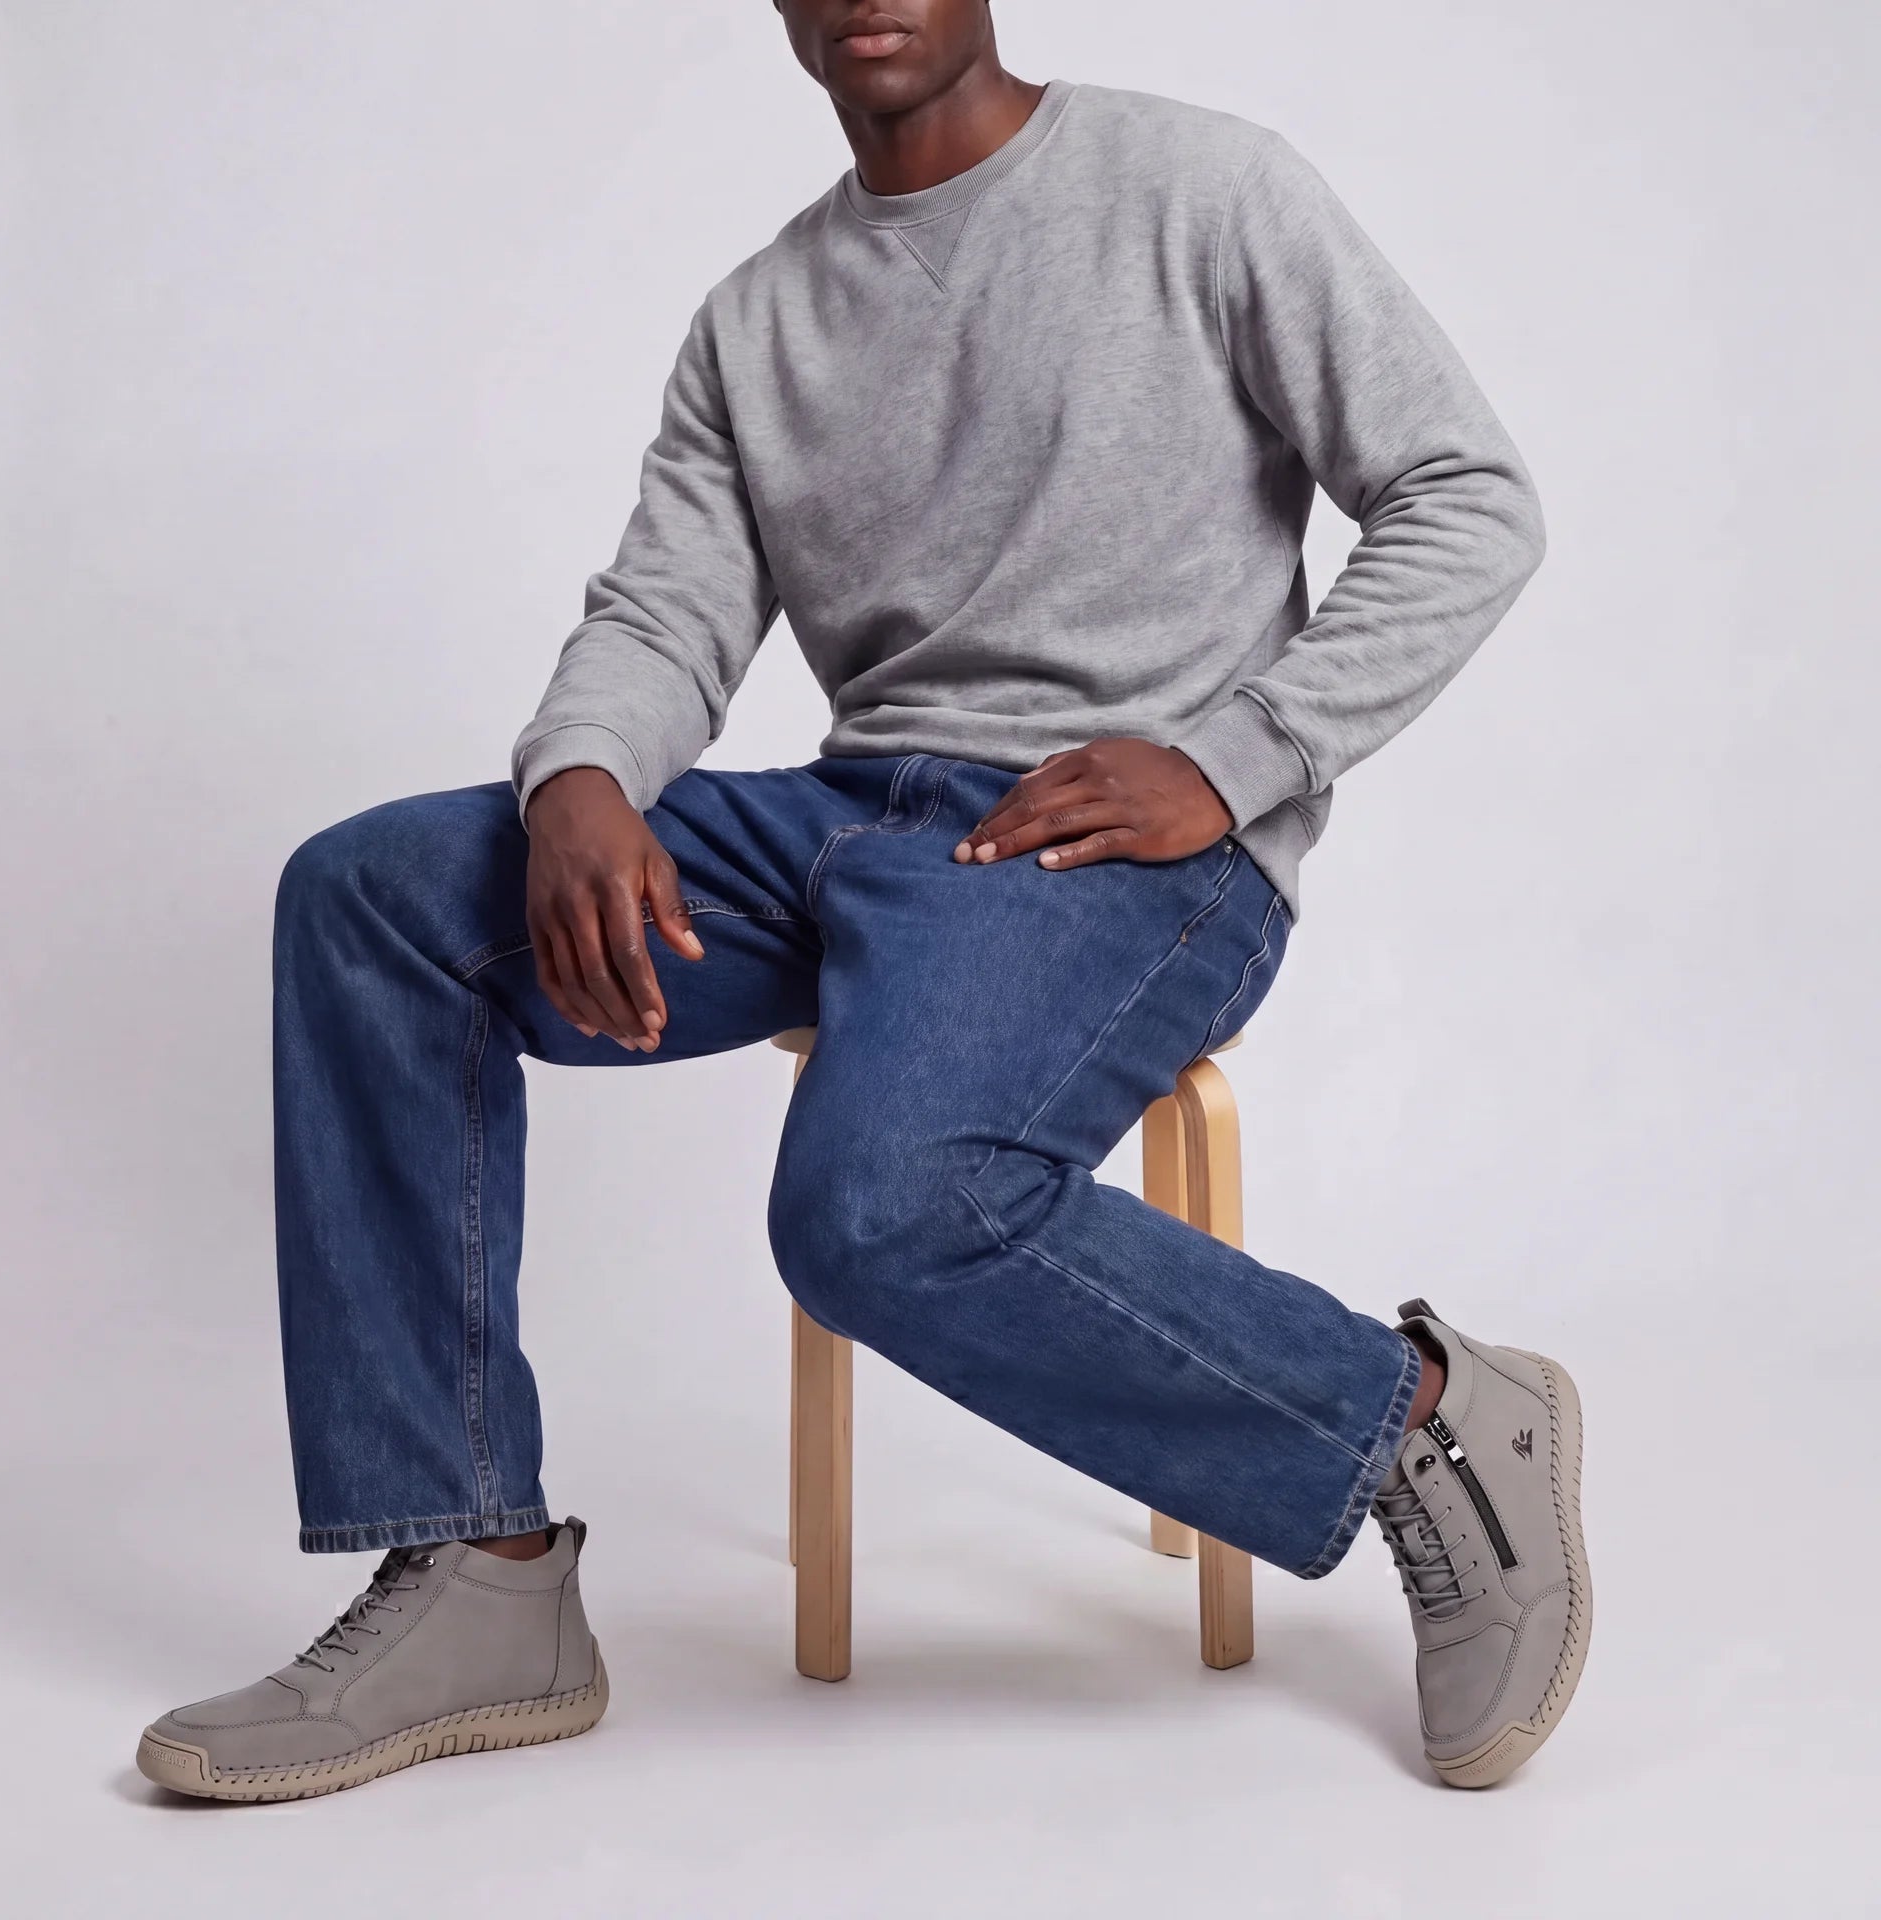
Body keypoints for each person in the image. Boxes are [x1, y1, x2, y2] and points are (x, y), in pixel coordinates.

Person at [137, 0, 1586, 1802]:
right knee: (375, 902)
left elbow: (1467, 497)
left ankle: (1426, 1424)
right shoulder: (759, 317)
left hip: (1113, 852)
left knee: (878, 1210)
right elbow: (667, 616)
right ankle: (476, 1568)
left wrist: (1235, 757)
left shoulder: (1204, 191)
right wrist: (579, 776)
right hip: (852, 819)